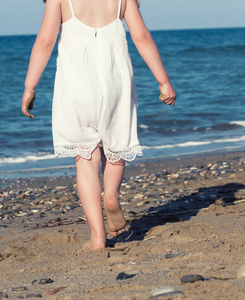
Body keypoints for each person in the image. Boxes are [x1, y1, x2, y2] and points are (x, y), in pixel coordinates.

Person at [21, 0, 176, 251]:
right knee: (115, 148)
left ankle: (97, 239)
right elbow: (142, 38)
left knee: (86, 160)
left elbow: (45, 42)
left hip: (76, 87)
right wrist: (164, 81)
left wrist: (30, 87)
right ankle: (111, 196)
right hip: (116, 83)